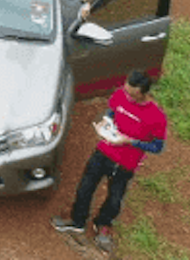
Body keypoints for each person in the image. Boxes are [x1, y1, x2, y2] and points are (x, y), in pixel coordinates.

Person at [52, 70, 168, 253]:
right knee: (85, 188)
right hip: (103, 152)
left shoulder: (156, 117)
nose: (126, 95)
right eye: (126, 89)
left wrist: (130, 141)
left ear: (143, 93)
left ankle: (102, 225)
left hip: (125, 164)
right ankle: (77, 221)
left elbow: (157, 146)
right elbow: (112, 111)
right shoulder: (120, 94)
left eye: (131, 93)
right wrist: (106, 122)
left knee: (114, 200)